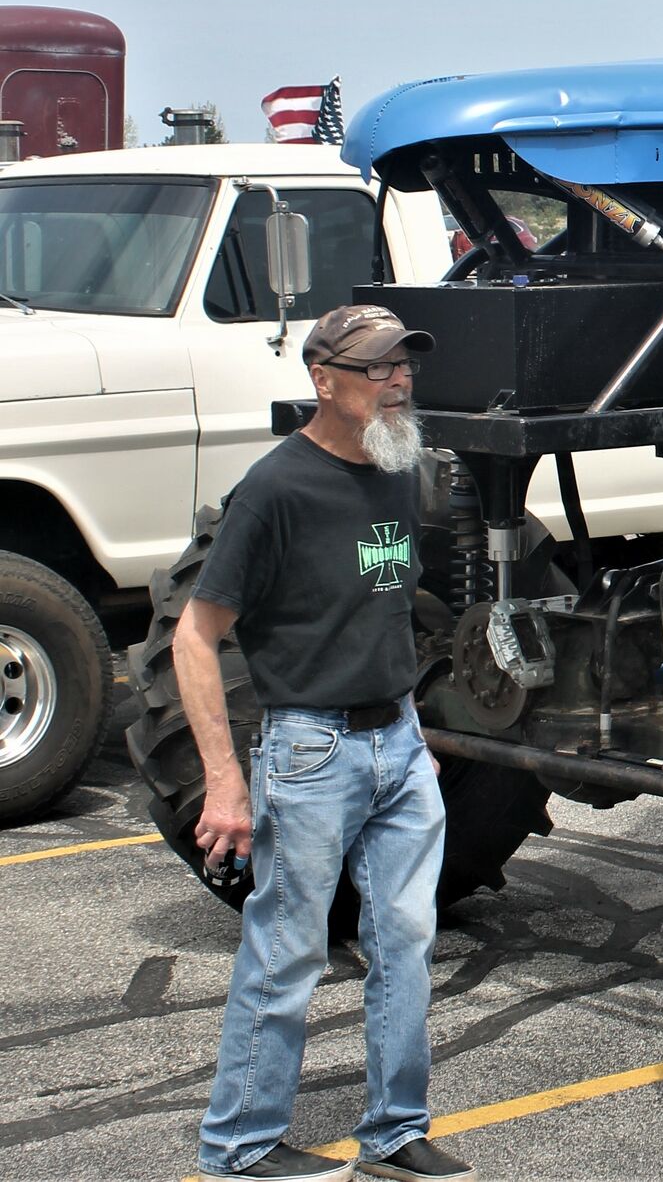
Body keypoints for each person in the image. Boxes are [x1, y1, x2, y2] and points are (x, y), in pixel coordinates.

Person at [178, 305, 472, 1182]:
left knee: (407, 939)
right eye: (379, 368)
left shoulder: (395, 470)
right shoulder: (274, 490)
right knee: (289, 949)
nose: (399, 382)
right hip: (311, 750)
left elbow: (387, 598)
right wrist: (225, 783)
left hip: (399, 744)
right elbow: (196, 637)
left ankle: (394, 1133)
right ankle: (241, 1145)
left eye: (405, 367)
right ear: (324, 379)